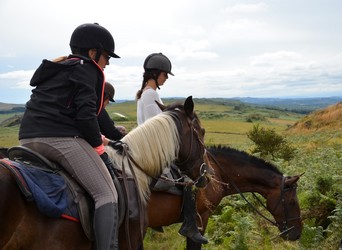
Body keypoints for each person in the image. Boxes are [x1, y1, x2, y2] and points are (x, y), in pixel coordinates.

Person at [19, 23, 120, 250]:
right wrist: (100, 148)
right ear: (93, 53)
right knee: (106, 193)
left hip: (26, 139)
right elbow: (86, 116)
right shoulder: (87, 69)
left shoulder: (58, 68)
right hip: (59, 139)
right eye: (106, 56)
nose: (108, 62)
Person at [136, 52, 208, 244]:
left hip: (148, 150)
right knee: (188, 179)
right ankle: (190, 226)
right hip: (154, 153)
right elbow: (155, 128)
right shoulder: (151, 94)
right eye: (165, 74)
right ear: (155, 73)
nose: (166, 78)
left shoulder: (144, 93)